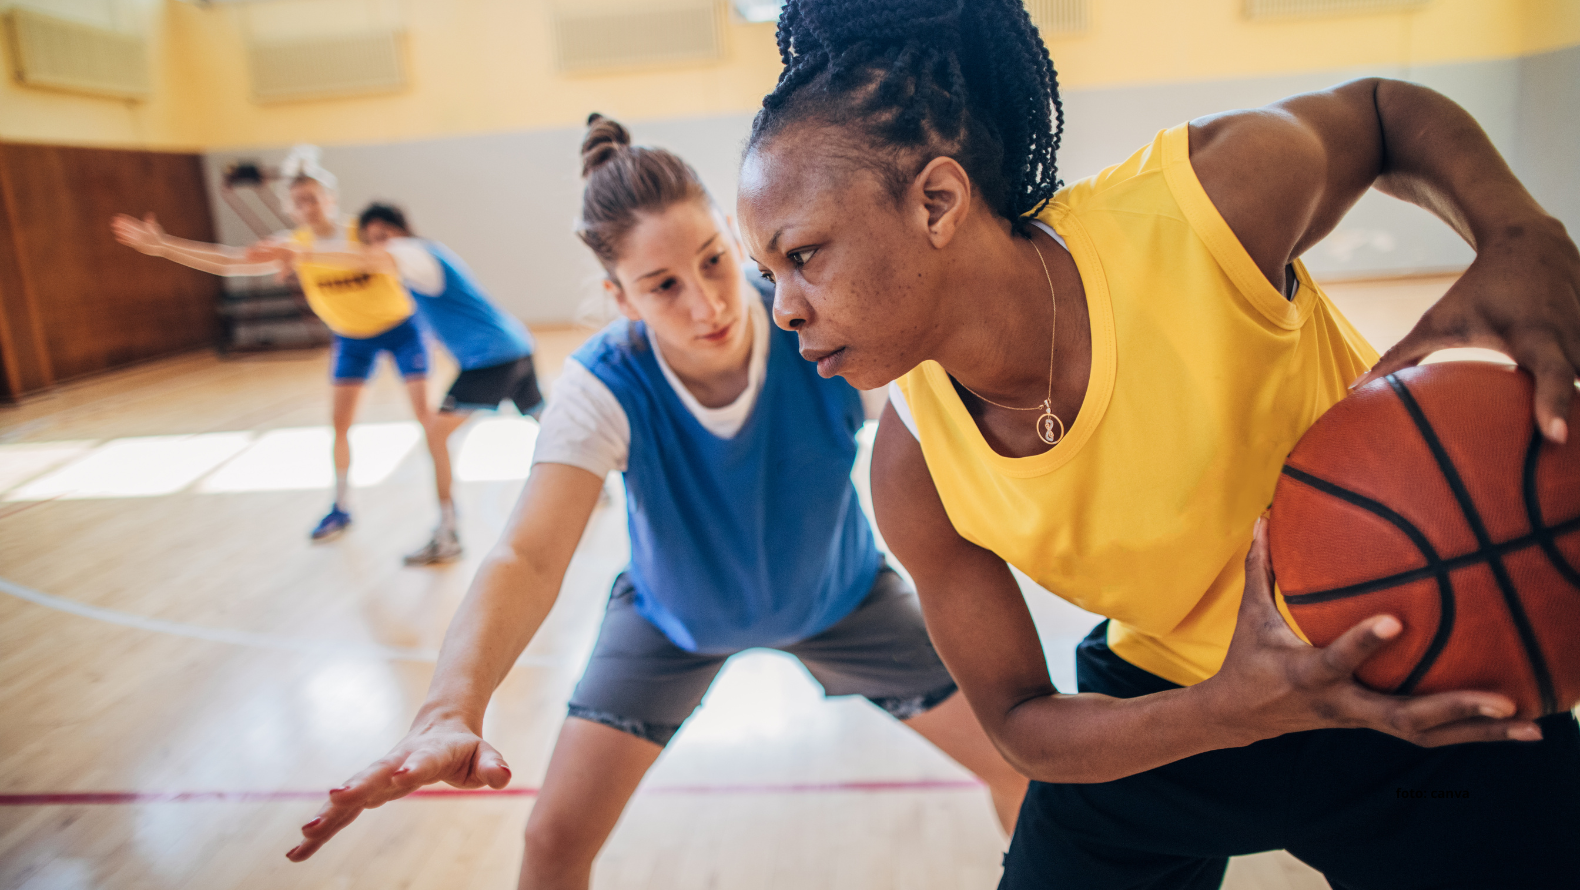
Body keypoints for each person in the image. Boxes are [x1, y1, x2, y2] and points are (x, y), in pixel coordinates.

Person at [735, 2, 1580, 888]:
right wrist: (1229, 711)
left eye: (804, 254)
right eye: (770, 275)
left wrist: (1522, 235)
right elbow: (1023, 725)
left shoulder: (1199, 215)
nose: (784, 307)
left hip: (1424, 672)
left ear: (937, 202)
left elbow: (1380, 115)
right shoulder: (911, 470)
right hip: (1173, 709)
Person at [282, 115, 1027, 887]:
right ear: (620, 297)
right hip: (671, 621)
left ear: (736, 243)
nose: (707, 304)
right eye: (663, 285)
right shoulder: (603, 384)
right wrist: (450, 706)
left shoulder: (818, 323)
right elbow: (528, 554)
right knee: (552, 841)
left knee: (1024, 769)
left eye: (713, 261)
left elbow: (954, 426)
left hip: (845, 601)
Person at [111, 146, 435, 545]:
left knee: (426, 417)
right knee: (340, 425)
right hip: (352, 338)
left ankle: (444, 507)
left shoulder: (360, 233)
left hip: (401, 328)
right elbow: (231, 261)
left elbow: (389, 257)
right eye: (299, 202)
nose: (308, 206)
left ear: (330, 199)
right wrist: (165, 248)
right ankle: (341, 505)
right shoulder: (291, 245)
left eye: (313, 197)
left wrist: (307, 254)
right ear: (290, 209)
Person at [342, 202, 543, 564]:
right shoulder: (421, 262)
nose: (379, 247)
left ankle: (447, 533)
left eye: (383, 237)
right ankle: (598, 486)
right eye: (371, 241)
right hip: (515, 346)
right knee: (543, 418)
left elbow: (372, 261)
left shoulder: (413, 254)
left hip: (492, 358)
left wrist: (299, 254)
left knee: (436, 433)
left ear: (401, 232)